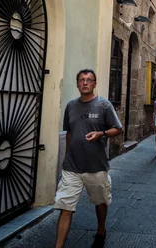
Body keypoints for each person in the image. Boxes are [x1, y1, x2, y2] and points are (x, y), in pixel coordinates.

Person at [54, 69, 123, 248]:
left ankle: (101, 230)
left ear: (94, 83)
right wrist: (67, 154)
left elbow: (118, 129)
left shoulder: (104, 105)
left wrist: (101, 133)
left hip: (96, 166)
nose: (85, 83)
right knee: (65, 207)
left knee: (100, 202)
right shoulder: (70, 106)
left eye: (89, 80)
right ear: (77, 84)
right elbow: (69, 132)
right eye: (82, 80)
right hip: (72, 166)